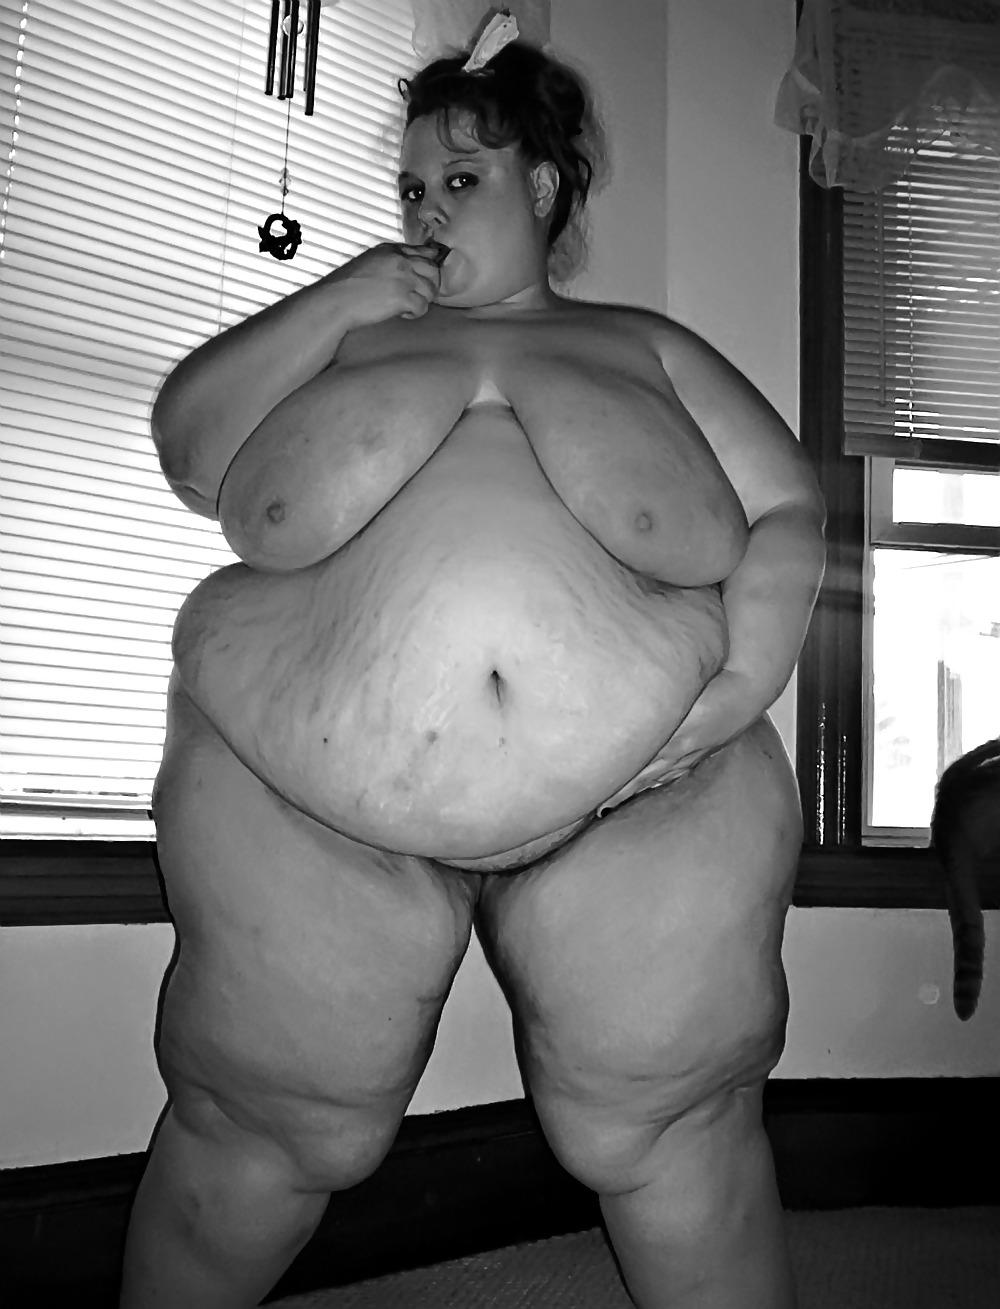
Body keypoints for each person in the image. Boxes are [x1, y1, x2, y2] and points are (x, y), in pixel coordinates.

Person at [120, 21, 826, 1309]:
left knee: (676, 1118)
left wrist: (737, 692)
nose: (426, 211)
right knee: (260, 1121)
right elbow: (190, 448)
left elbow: (786, 509)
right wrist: (340, 297)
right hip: (298, 795)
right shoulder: (344, 344)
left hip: (653, 796)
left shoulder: (644, 346)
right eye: (408, 189)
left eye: (459, 178)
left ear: (541, 187)